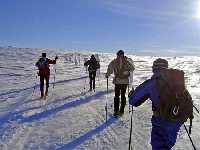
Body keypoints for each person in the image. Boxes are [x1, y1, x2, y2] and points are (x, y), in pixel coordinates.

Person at [128, 58, 193, 150]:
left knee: (158, 145)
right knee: (167, 145)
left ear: (154, 68)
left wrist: (131, 95)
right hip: (177, 120)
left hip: (161, 121)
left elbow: (133, 100)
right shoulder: (177, 81)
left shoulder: (152, 83)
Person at [105, 50, 135, 116]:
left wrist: (107, 74)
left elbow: (110, 69)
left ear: (117, 54)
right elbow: (132, 68)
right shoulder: (127, 61)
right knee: (123, 95)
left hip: (118, 81)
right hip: (125, 81)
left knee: (117, 96)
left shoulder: (114, 61)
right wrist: (127, 71)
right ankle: (122, 111)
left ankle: (116, 111)